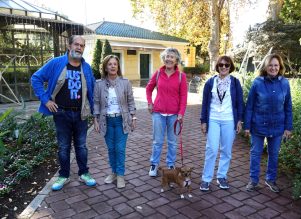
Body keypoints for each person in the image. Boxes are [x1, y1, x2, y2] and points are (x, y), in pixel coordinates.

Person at [31, 35, 96, 191]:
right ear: (69, 46)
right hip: (61, 113)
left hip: (80, 114)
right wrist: (46, 100)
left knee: (81, 146)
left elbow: (92, 91)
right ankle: (64, 175)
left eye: (82, 45)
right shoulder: (56, 63)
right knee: (63, 147)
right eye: (76, 44)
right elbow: (36, 78)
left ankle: (84, 173)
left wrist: (95, 113)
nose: (79, 47)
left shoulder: (86, 68)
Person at [244, 54, 293, 193]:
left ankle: (270, 179)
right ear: (266, 67)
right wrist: (247, 126)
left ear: (280, 67)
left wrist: (288, 127)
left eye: (276, 65)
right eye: (270, 65)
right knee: (255, 154)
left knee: (274, 154)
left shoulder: (284, 83)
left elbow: (288, 106)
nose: (273, 68)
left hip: (278, 126)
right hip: (258, 125)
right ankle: (253, 181)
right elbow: (250, 106)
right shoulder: (257, 83)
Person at [199, 56, 244, 191]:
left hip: (229, 120)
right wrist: (203, 121)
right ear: (217, 66)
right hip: (213, 118)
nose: (224, 67)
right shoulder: (210, 82)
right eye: (221, 65)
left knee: (226, 150)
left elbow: (240, 103)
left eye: (227, 65)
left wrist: (239, 120)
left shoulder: (235, 83)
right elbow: (205, 103)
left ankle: (221, 176)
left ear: (230, 67)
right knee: (211, 149)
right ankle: (206, 179)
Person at [93, 55, 136, 189]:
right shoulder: (99, 84)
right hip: (106, 121)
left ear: (118, 67)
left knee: (120, 149)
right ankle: (113, 173)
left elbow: (130, 101)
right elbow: (96, 103)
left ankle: (121, 175)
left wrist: (133, 117)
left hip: (121, 120)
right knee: (111, 149)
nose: (112, 66)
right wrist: (95, 120)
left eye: (115, 64)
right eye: (110, 64)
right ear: (105, 67)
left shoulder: (125, 82)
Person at [146, 47, 188, 177]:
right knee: (157, 141)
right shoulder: (158, 73)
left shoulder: (181, 76)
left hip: (174, 115)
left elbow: (183, 97)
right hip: (158, 113)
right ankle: (154, 164)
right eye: (167, 56)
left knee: (172, 142)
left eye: (172, 57)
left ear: (176, 60)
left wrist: (181, 113)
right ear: (164, 58)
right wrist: (150, 103)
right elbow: (149, 88)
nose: (169, 59)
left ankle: (170, 163)